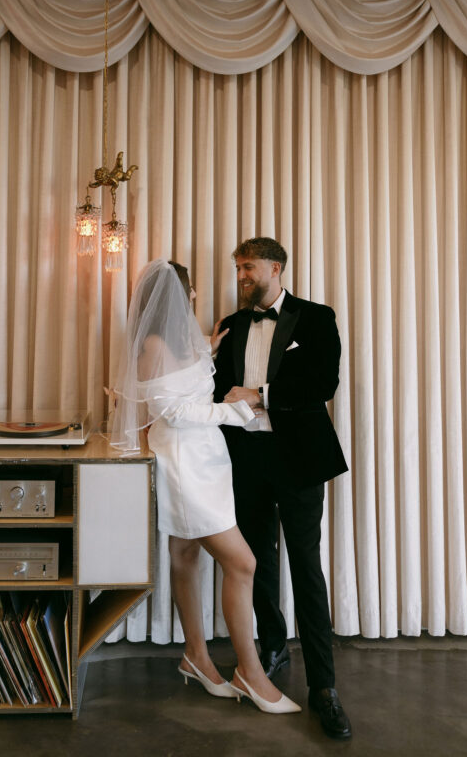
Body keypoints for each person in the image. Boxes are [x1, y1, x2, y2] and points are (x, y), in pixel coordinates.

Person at [110, 258, 300, 714]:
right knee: (243, 563)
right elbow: (172, 411)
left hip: (208, 461)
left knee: (185, 554)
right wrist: (233, 412)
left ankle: (196, 656)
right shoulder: (152, 345)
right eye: (188, 291)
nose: (194, 297)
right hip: (183, 462)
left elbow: (187, 390)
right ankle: (250, 673)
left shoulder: (186, 339)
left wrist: (208, 352)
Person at [213, 237, 352, 740]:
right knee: (254, 563)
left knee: (306, 566)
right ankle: (270, 649)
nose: (241, 275)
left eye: (248, 266)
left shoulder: (316, 317)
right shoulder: (230, 325)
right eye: (237, 267)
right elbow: (214, 392)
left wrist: (261, 394)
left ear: (276, 267)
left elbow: (323, 384)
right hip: (244, 460)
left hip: (297, 459)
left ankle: (324, 687)